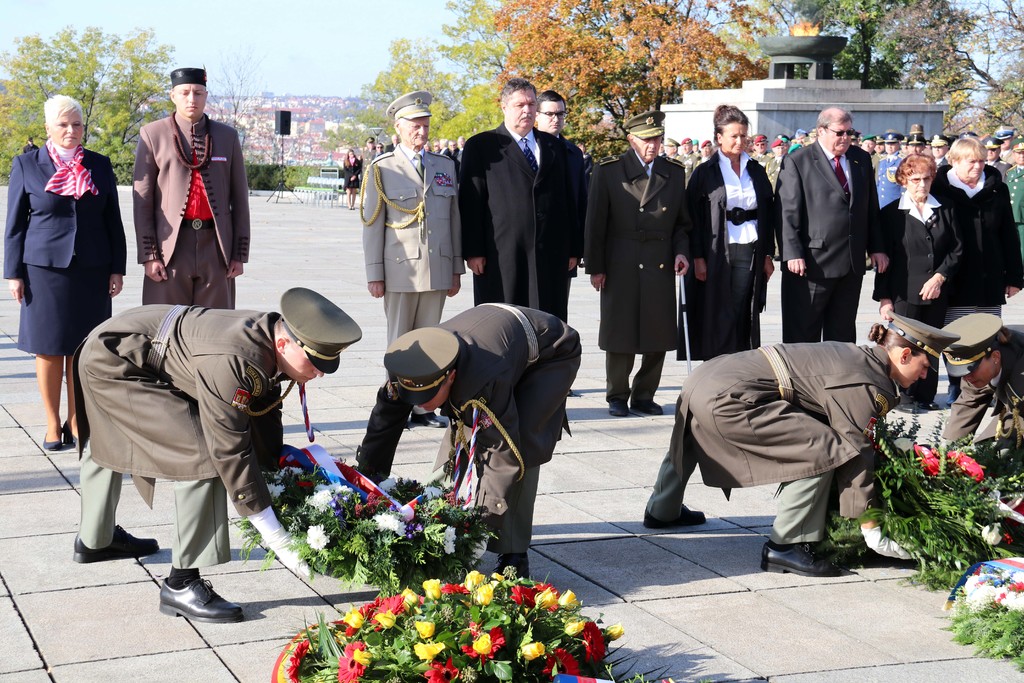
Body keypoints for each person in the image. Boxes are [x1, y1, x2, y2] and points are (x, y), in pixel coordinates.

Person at [72, 288, 362, 623]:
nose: (320, 372)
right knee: (203, 456)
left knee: (117, 433)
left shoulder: (269, 338)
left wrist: (276, 477)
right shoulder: (237, 359)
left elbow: (261, 413)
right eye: (315, 362)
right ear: (284, 345)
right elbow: (229, 449)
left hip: (130, 344)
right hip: (114, 360)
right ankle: (180, 585)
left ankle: (95, 540)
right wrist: (275, 534)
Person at [644, 315, 959, 576]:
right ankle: (786, 547)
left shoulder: (858, 355)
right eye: (924, 366)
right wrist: (871, 524)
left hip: (711, 375)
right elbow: (855, 451)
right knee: (824, 449)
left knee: (693, 428)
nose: (925, 375)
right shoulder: (867, 384)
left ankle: (662, 509)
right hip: (730, 395)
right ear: (904, 355)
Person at [360, 304, 581, 578]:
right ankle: (434, 519)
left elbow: (501, 453)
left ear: (450, 377)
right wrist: (367, 483)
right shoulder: (406, 364)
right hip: (493, 341)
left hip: (550, 353)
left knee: (521, 445)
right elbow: (384, 424)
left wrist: (481, 526)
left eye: (427, 398)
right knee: (461, 430)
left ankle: (514, 552)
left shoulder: (482, 381)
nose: (419, 405)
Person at [4, 95, 126, 451]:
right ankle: (52, 422)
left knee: (83, 349)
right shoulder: (27, 165)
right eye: (62, 124)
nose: (71, 130)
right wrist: (14, 273)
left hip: (92, 269)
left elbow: (112, 222)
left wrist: (116, 268)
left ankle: (77, 419)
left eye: (76, 124)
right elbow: (14, 226)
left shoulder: (100, 165)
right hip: (43, 270)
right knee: (48, 348)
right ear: (48, 128)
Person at [361, 91, 463, 429]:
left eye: (426, 126)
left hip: (436, 270)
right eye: (415, 126)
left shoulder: (444, 165)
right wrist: (374, 273)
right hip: (400, 271)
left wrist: (455, 268)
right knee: (400, 342)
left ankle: (424, 407)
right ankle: (396, 405)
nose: (422, 132)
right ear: (399, 128)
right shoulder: (382, 168)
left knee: (431, 340)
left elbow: (454, 221)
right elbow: (372, 225)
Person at [584, 110, 690, 418]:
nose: (653, 145)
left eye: (657, 139)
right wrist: (596, 267)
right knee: (620, 330)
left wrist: (681, 251)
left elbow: (682, 223)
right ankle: (617, 394)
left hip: (659, 259)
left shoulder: (674, 171)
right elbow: (596, 223)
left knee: (658, 331)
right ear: (632, 140)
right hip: (621, 259)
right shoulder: (609, 170)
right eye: (646, 140)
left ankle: (645, 394)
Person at [459, 78, 581, 321]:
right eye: (520, 105)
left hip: (550, 252)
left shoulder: (554, 147)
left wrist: (574, 248)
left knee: (547, 323)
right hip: (501, 255)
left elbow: (570, 200)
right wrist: (473, 251)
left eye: (532, 104)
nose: (527, 110)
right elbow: (471, 204)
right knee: (502, 323)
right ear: (504, 107)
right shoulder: (482, 146)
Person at [133, 67, 250, 309]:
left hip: (216, 247)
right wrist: (149, 254)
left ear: (206, 96)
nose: (191, 99)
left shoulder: (227, 137)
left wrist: (239, 253)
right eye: (185, 92)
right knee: (164, 326)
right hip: (171, 248)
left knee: (215, 326)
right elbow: (142, 201)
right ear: (172, 95)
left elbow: (240, 199)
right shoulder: (153, 134)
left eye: (198, 93)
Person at [776, 106, 887, 344]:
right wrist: (793, 253)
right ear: (821, 131)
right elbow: (787, 212)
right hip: (812, 264)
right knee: (803, 335)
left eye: (850, 133)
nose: (845, 138)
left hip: (851, 263)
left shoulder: (861, 159)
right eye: (839, 133)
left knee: (843, 337)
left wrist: (877, 247)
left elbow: (870, 207)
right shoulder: (798, 161)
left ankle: (839, 381)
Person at [931, 136, 1023, 404]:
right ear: (955, 161)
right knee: (956, 335)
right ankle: (955, 387)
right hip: (956, 275)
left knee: (987, 334)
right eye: (972, 161)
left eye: (982, 160)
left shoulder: (997, 188)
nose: (978, 166)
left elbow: (1009, 234)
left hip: (990, 274)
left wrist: (1015, 276)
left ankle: (986, 388)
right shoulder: (940, 189)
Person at [684, 105, 775, 361]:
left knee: (740, 305)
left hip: (748, 246)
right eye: (734, 136)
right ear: (719, 137)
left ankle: (737, 362)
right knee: (715, 307)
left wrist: (768, 254)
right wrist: (697, 257)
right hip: (715, 251)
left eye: (744, 135)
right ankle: (715, 363)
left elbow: (768, 212)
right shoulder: (705, 172)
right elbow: (692, 217)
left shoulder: (755, 170)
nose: (740, 141)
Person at [873, 154, 963, 410]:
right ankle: (903, 395)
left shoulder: (945, 208)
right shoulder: (891, 214)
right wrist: (885, 297)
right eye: (915, 180)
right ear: (903, 181)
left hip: (937, 290)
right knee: (905, 345)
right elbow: (884, 259)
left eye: (926, 179)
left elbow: (957, 249)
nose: (921, 185)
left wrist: (940, 276)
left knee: (931, 345)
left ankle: (925, 396)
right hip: (903, 291)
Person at [535, 89, 588, 326]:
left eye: (561, 114)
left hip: (561, 246)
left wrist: (576, 250)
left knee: (556, 315)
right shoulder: (528, 149)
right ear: (537, 115)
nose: (556, 119)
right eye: (550, 114)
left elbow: (580, 204)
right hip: (531, 242)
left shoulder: (573, 153)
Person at [943, 313, 1024, 445]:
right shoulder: (976, 369)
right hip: (1019, 407)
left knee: (1006, 451)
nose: (967, 377)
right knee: (987, 449)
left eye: (972, 369)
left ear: (995, 357)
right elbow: (968, 403)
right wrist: (948, 450)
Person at [1007, 138, 1024, 268]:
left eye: (1023, 152)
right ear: (1013, 154)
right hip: (1011, 214)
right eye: (1018, 153)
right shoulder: (1011, 172)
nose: (1021, 155)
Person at [876, 131, 904, 209]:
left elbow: (904, 184)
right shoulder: (882, 160)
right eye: (887, 144)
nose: (889, 146)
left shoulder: (902, 160)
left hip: (894, 201)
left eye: (892, 144)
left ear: (898, 144)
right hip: (881, 201)